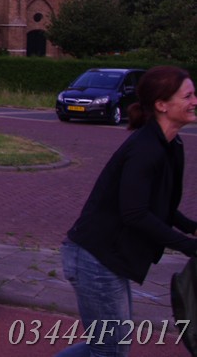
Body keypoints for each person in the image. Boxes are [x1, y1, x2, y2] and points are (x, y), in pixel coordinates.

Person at [58, 66, 197, 357]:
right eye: (187, 96)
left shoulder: (172, 145)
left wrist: (191, 227)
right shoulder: (146, 149)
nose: (195, 101)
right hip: (95, 257)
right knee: (110, 349)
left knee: (109, 347)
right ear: (162, 105)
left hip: (107, 258)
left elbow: (160, 205)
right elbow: (135, 213)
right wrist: (188, 246)